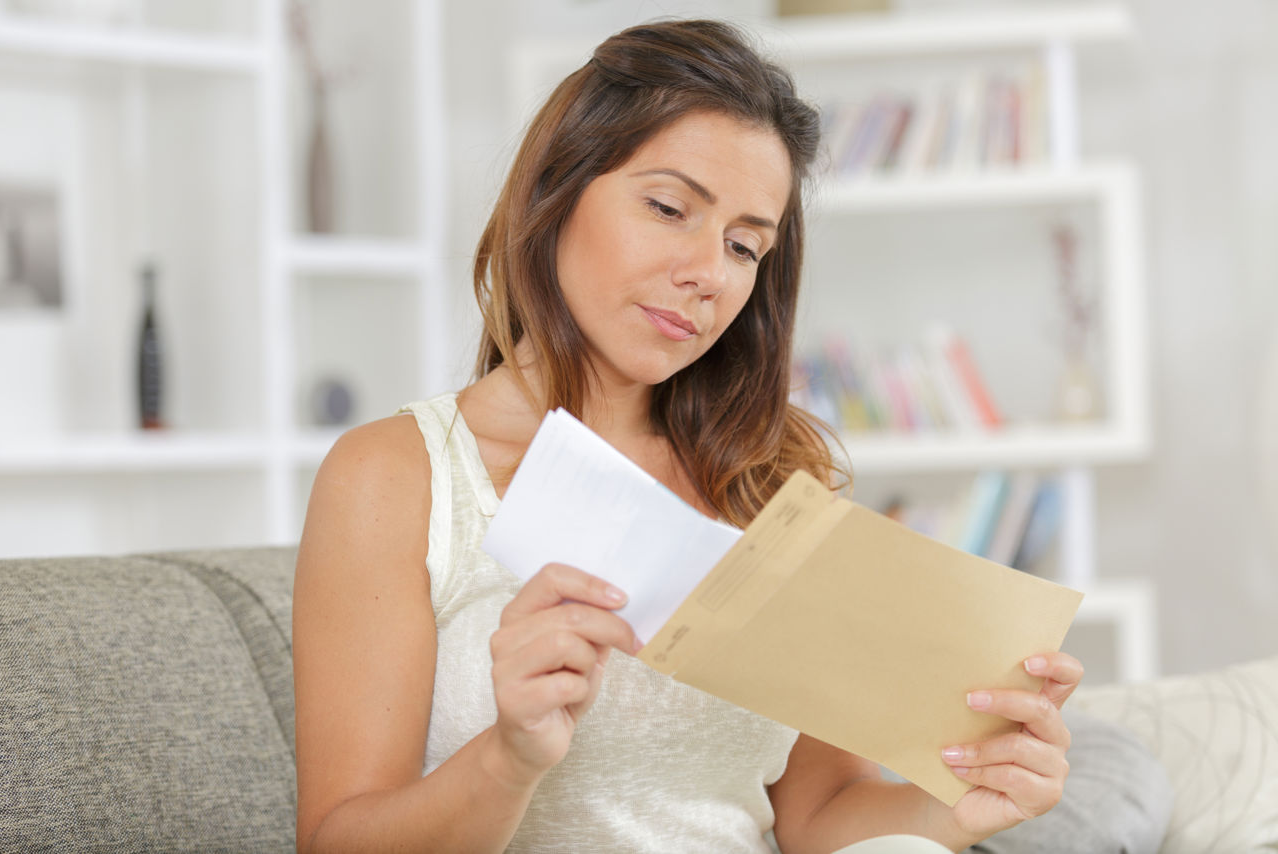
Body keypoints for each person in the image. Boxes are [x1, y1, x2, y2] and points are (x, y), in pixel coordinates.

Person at [292, 18, 1083, 854]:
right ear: (556, 190)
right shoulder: (395, 476)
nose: (708, 274)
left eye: (744, 246)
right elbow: (337, 841)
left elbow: (817, 814)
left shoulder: (773, 480)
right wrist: (508, 758)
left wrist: (956, 808)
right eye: (669, 209)